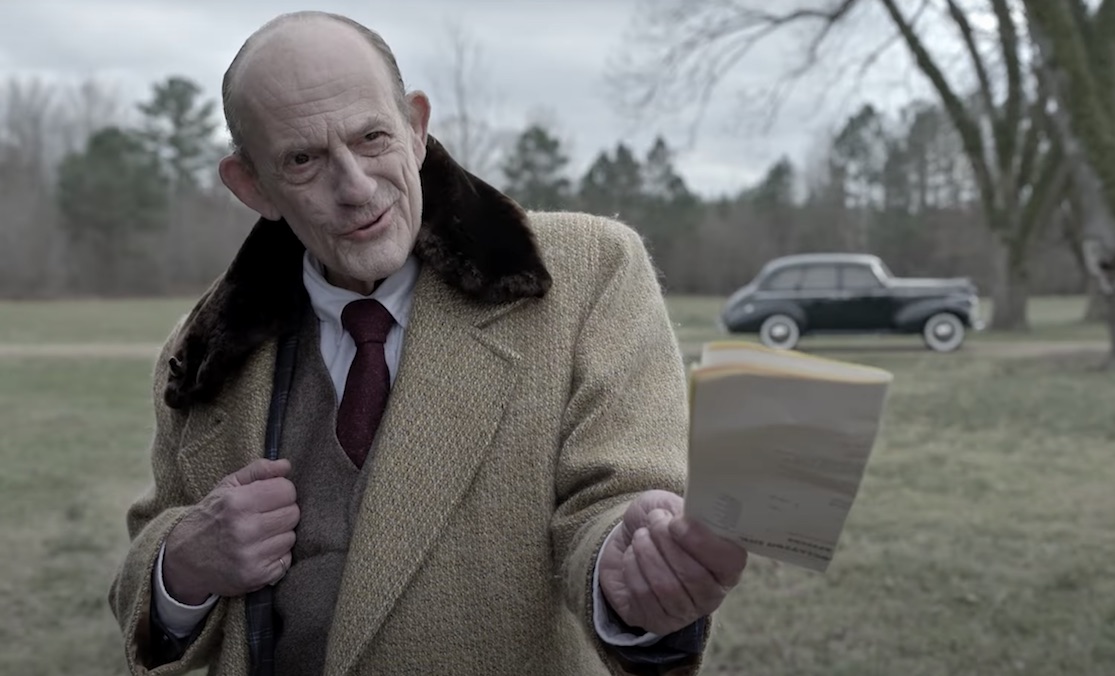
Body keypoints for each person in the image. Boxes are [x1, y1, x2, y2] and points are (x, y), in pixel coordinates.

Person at [108, 11, 747, 676]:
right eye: (303, 159)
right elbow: (150, 557)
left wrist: (631, 575)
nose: (355, 188)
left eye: (372, 136)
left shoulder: (589, 273)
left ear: (416, 127)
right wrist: (181, 564)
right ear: (252, 185)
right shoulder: (203, 354)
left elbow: (615, 506)